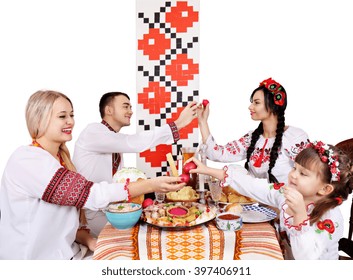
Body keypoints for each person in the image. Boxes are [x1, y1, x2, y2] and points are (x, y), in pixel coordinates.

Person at [0, 90, 186, 260]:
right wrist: (150, 185)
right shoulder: (28, 159)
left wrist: (89, 240)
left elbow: (64, 225)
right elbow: (91, 194)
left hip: (72, 251)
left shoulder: (61, 160)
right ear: (39, 121)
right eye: (62, 116)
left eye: (72, 115)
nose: (70, 122)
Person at [186, 141, 353, 259]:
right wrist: (207, 170)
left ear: (325, 189)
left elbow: (306, 259)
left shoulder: (330, 218)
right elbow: (251, 185)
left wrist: (300, 214)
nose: (293, 175)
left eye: (303, 174)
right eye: (294, 168)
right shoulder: (285, 193)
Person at [73, 91, 197, 236]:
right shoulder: (93, 132)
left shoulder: (112, 140)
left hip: (112, 209)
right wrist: (178, 124)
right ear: (109, 110)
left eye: (130, 107)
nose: (130, 111)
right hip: (92, 213)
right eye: (125, 107)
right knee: (141, 236)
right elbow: (133, 142)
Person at [197, 77, 309, 184]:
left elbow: (310, 175)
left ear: (272, 105)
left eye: (256, 102)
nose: (250, 107)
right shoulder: (252, 138)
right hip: (253, 203)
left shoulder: (295, 137)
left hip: (284, 202)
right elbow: (218, 154)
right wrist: (203, 122)